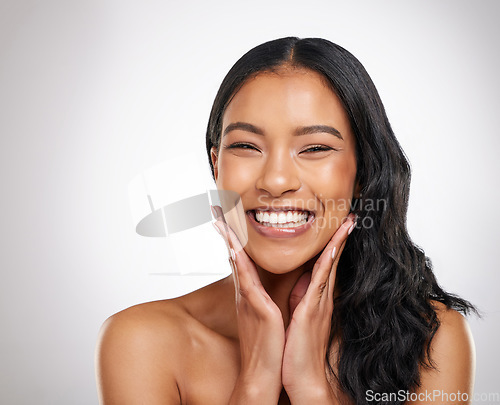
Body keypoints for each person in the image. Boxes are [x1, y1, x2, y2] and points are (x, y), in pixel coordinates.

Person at [96, 37, 477, 404]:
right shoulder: (141, 342)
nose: (276, 181)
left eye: (315, 148)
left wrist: (311, 389)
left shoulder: (432, 338)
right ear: (216, 165)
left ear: (363, 172)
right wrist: (256, 381)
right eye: (246, 146)